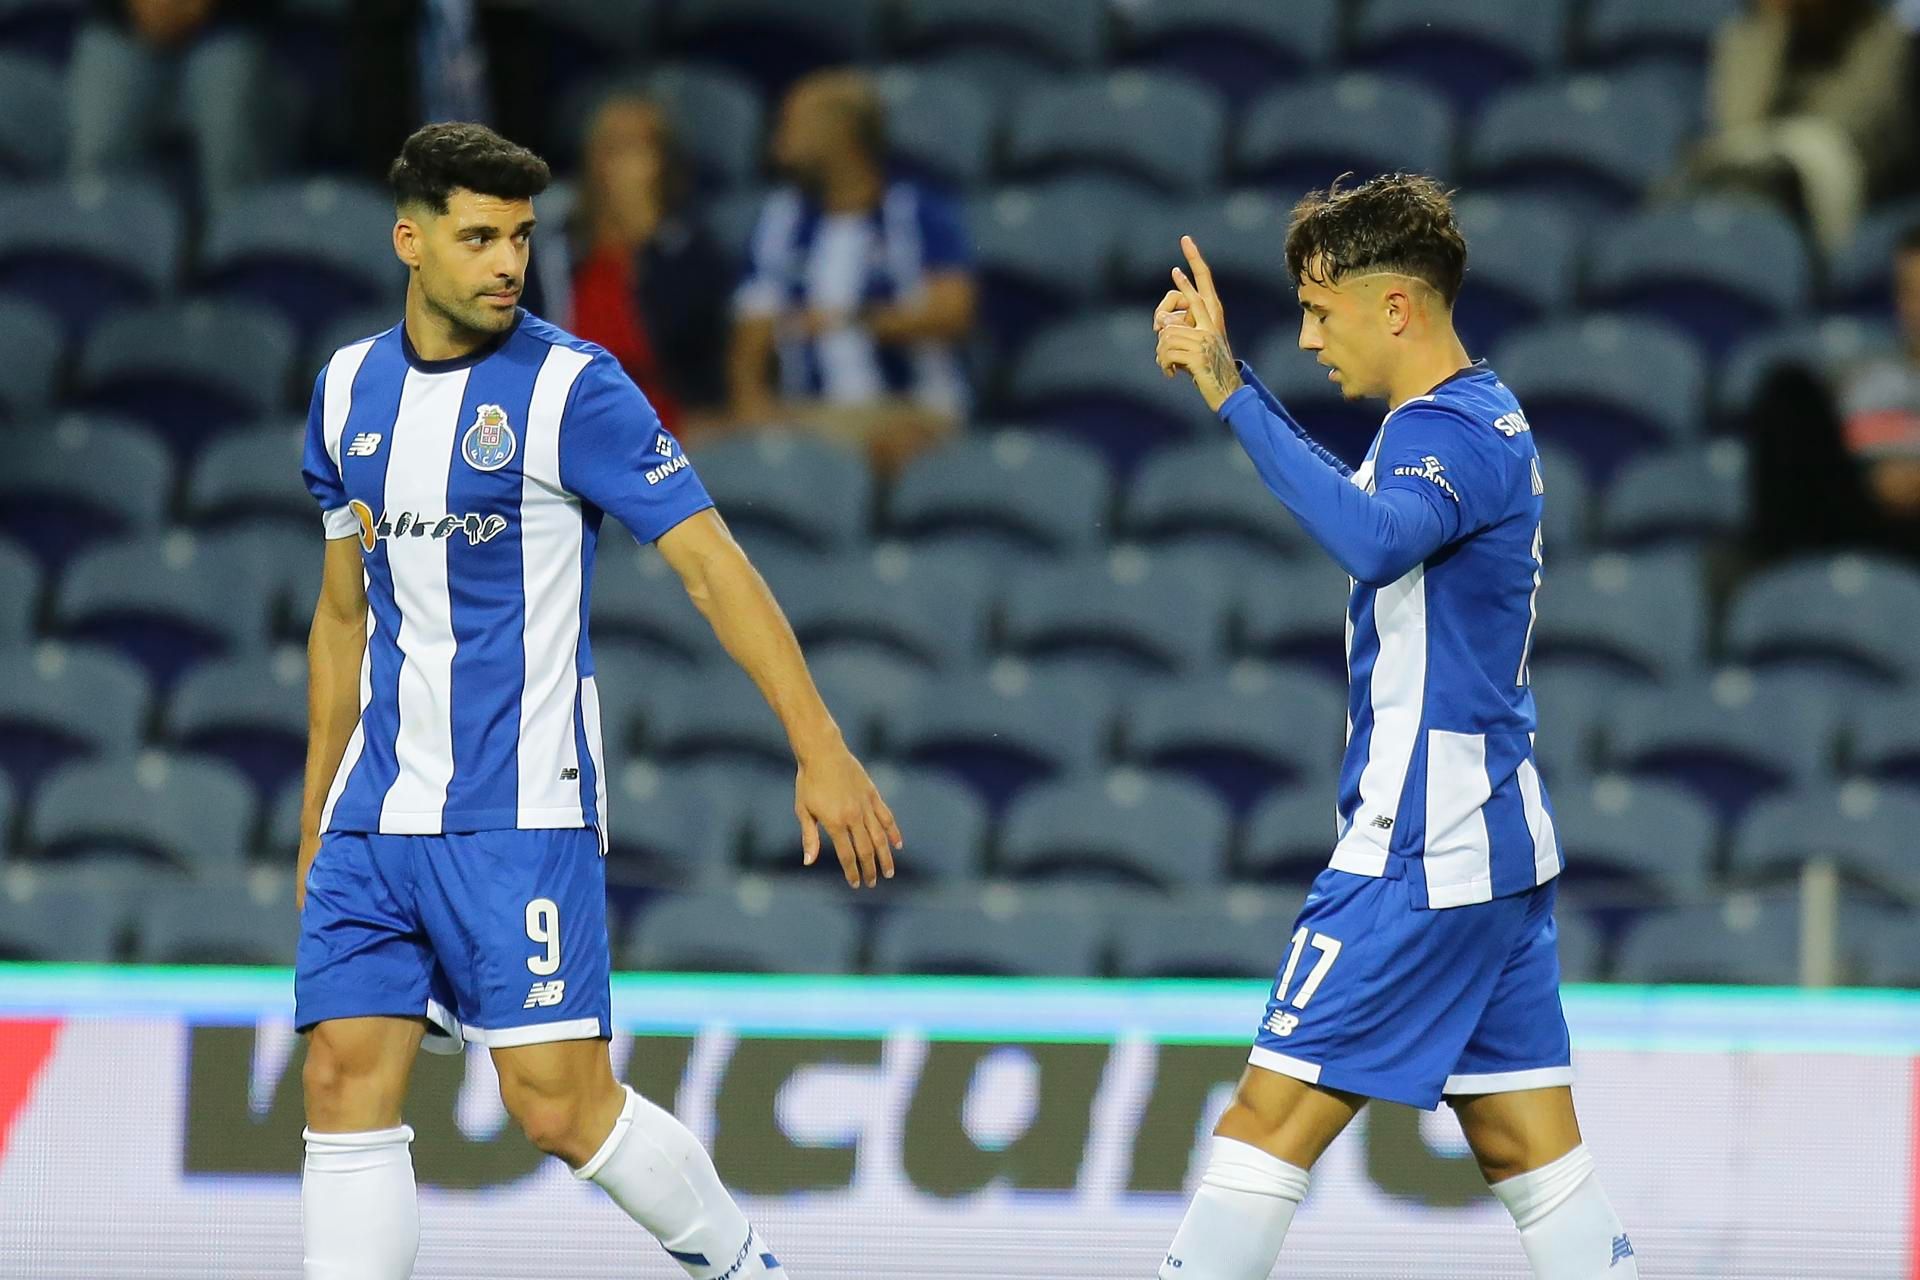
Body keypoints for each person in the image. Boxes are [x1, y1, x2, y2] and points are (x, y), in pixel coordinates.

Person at [293, 122, 902, 1280]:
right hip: (375, 812)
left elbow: (713, 564)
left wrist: (817, 742)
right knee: (339, 1076)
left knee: (558, 1105)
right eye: (479, 238)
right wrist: (317, 811)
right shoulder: (344, 391)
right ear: (409, 241)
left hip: (519, 805)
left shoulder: (575, 388)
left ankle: (745, 1265)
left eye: (521, 237)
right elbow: (340, 614)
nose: (507, 263)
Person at [1151, 175, 1637, 1280]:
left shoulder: (1446, 435)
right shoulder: (1475, 414)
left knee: (1265, 1121)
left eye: (1321, 311)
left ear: (1398, 307)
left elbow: (1374, 541)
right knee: (1529, 1151)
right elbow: (1382, 518)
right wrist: (1244, 385)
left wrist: (1229, 390)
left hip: (1420, 851)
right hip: (1493, 841)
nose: (1309, 338)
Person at [728, 68, 975, 475]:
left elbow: (952, 312)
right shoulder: (780, 220)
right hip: (805, 415)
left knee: (895, 452)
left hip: (905, 409)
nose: (780, 138)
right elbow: (751, 333)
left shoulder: (914, 213)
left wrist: (849, 321)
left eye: (793, 123)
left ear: (841, 131)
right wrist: (752, 407)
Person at [562, 88, 731, 440]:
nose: (618, 164)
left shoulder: (691, 254)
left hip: (672, 431)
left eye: (633, 148)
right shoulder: (556, 252)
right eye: (608, 147)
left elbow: (694, 355)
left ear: (663, 164)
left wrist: (646, 242)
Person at [1677, 0, 1910, 255]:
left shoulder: (1879, 32)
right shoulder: (1750, 32)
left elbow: (1854, 122)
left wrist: (1791, 144)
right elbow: (1737, 122)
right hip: (1754, 166)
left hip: (1845, 172)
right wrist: (1772, 28)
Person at [68, 0, 280, 200]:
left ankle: (237, 225)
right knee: (96, 158)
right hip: (121, 26)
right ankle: (101, 225)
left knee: (230, 147)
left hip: (228, 27)